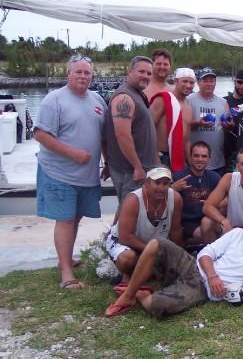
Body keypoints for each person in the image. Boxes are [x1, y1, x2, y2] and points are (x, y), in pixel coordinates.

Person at [104, 209, 243, 318]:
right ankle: (129, 294)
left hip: (203, 289)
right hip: (195, 267)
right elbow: (206, 253)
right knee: (157, 244)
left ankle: (142, 294)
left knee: (154, 305)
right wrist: (212, 275)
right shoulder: (238, 234)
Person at [35, 54, 107, 290]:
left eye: (87, 72)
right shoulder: (54, 100)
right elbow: (41, 135)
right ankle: (66, 272)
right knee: (65, 219)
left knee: (76, 217)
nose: (83, 76)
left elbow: (103, 135)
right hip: (59, 172)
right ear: (68, 74)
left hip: (87, 175)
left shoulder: (97, 100)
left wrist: (106, 161)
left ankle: (65, 258)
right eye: (79, 72)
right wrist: (72, 153)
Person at [105, 167, 183, 285]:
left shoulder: (176, 199)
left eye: (165, 184)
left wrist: (175, 255)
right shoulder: (133, 199)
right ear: (147, 183)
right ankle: (128, 271)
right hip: (125, 242)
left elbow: (176, 230)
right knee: (127, 260)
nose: (161, 188)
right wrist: (152, 251)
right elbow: (125, 237)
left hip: (153, 245)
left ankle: (139, 272)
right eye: (157, 183)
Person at [106, 56, 158, 220]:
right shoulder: (124, 98)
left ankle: (113, 240)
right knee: (128, 214)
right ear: (130, 71)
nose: (146, 76)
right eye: (141, 71)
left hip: (140, 168)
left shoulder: (137, 95)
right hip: (130, 172)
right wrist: (137, 167)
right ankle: (115, 242)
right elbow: (122, 135)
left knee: (129, 212)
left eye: (149, 73)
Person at [171, 141, 221, 246]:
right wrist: (172, 188)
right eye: (196, 156)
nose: (200, 159)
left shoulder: (214, 177)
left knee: (224, 231)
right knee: (203, 234)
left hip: (209, 218)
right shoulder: (179, 177)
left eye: (204, 156)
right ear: (190, 157)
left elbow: (225, 202)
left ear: (209, 158)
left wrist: (212, 204)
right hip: (188, 223)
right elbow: (162, 200)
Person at [188, 68, 233, 175]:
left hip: (217, 161)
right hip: (195, 162)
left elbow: (231, 125)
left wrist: (229, 125)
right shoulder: (189, 100)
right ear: (198, 82)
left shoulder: (223, 102)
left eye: (212, 81)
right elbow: (183, 127)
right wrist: (198, 124)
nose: (209, 84)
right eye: (205, 81)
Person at [150, 67, 195, 172]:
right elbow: (148, 129)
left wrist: (190, 163)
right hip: (161, 156)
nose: (188, 85)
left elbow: (187, 140)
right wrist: (154, 156)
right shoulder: (163, 99)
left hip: (179, 157)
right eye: (185, 81)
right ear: (176, 81)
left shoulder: (188, 106)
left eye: (191, 82)